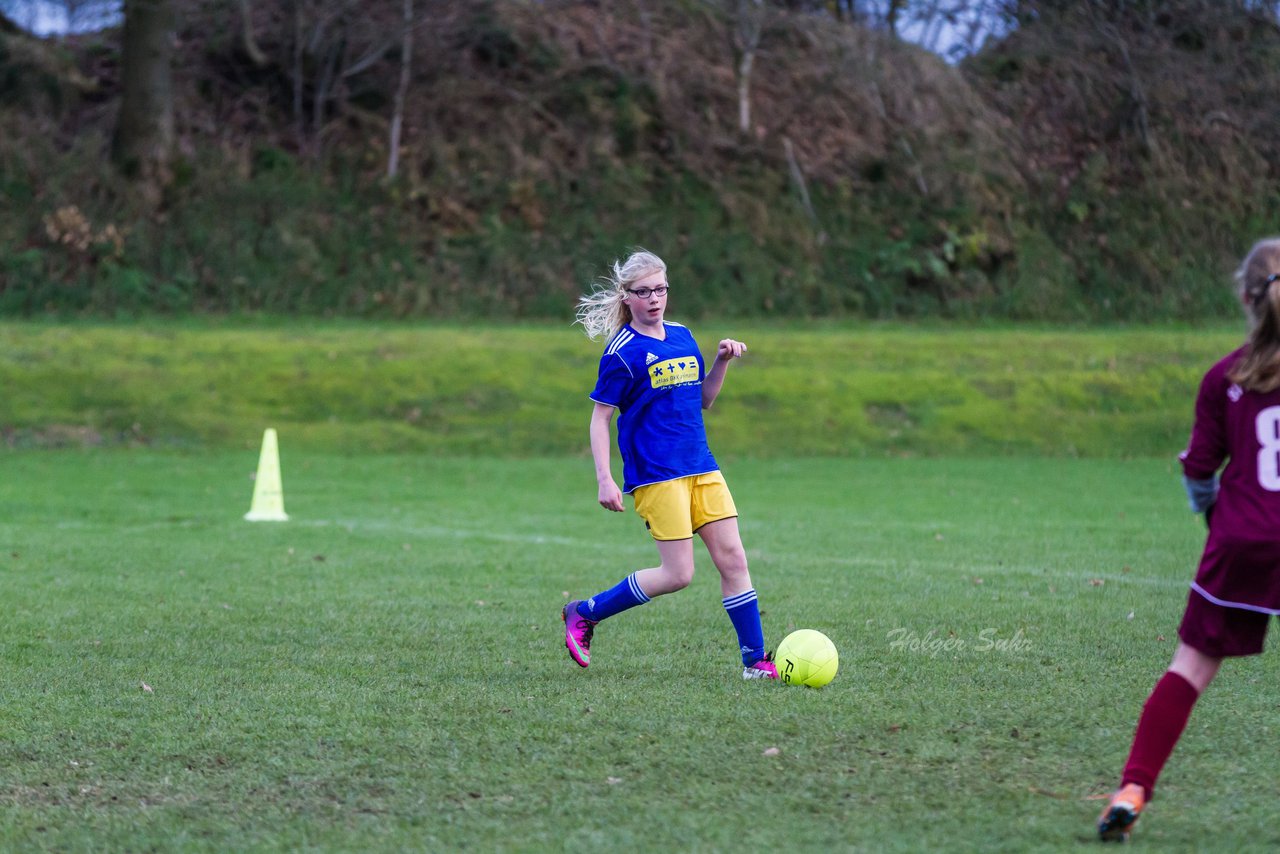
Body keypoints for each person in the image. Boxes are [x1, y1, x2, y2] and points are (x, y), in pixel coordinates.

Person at [1098, 237, 1280, 841]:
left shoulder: (1223, 377)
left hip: (1242, 541)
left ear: (1246, 298)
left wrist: (1219, 522)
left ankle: (1132, 788)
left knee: (1190, 669)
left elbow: (1199, 471)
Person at [561, 248, 777, 680]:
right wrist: (605, 479)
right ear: (627, 297)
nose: (654, 298)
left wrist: (721, 362)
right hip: (657, 475)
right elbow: (600, 417)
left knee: (734, 559)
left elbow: (703, 401)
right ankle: (584, 612)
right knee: (678, 574)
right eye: (643, 291)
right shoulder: (621, 352)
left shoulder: (682, 335)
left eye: (660, 288)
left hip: (701, 465)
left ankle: (755, 663)